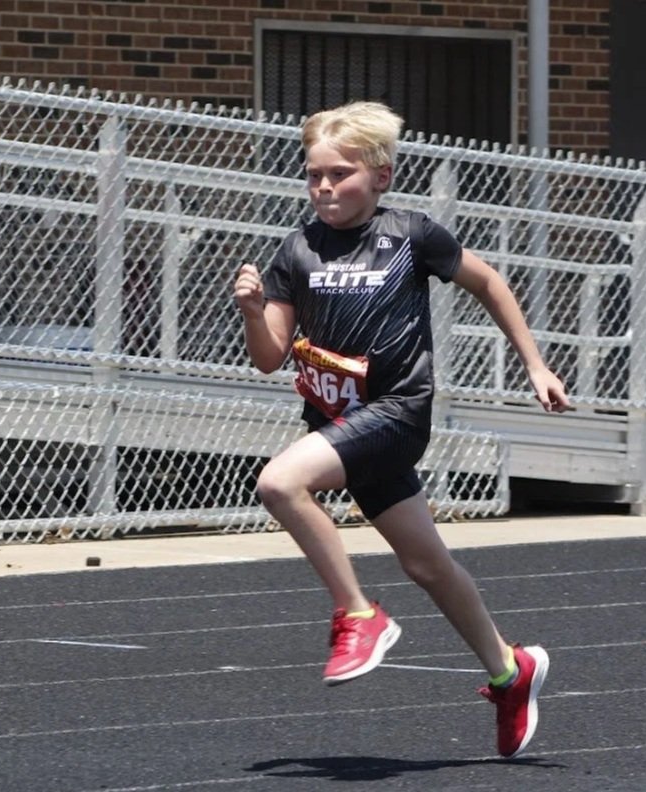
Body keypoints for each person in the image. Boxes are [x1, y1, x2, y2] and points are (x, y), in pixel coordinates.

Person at [233, 100, 571, 759]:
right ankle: (510, 670)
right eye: (314, 176)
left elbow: (489, 282)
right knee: (425, 562)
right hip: (341, 419)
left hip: (397, 411)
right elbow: (271, 355)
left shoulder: (412, 235)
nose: (325, 187)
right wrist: (251, 312)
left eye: (340, 174)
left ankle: (358, 614)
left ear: (381, 176)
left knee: (279, 484)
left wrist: (535, 364)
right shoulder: (297, 250)